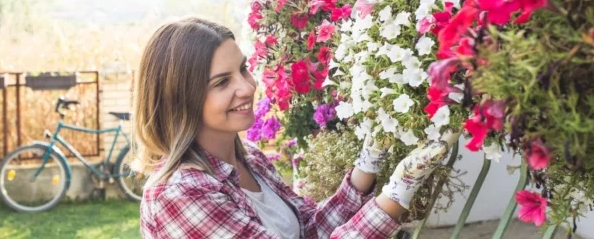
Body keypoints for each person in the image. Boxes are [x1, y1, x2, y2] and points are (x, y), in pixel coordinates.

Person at [134, 17, 458, 239]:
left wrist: (368, 163)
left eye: (243, 69)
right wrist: (397, 192)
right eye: (222, 82)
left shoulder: (253, 161)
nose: (247, 87)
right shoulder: (179, 193)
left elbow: (310, 230)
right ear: (180, 99)